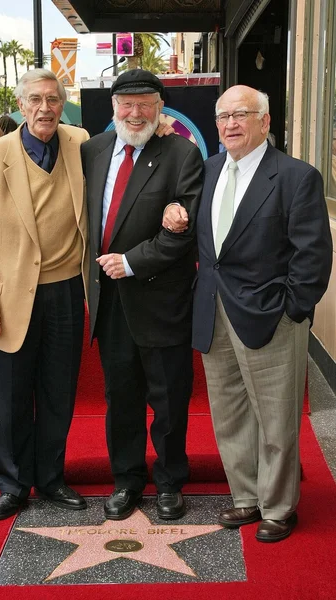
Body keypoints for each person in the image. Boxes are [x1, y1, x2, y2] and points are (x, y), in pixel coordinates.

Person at [164, 85, 332, 541]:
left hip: (272, 315)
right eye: (223, 116)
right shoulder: (211, 168)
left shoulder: (297, 176)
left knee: (276, 418)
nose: (231, 124)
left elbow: (313, 256)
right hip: (214, 311)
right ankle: (246, 497)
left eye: (242, 114)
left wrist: (291, 309)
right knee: (230, 412)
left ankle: (278, 507)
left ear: (265, 120)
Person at [0, 69, 90, 521]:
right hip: (11, 295)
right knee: (12, 396)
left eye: (53, 99)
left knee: (59, 392)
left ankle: (52, 478)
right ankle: (14, 485)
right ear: (20, 104)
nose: (44, 108)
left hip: (66, 289)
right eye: (35, 99)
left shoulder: (80, 143)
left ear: (62, 103)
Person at [81, 69, 204, 521]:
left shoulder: (181, 154)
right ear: (113, 107)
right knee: (121, 399)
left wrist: (130, 262)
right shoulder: (90, 151)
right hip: (109, 304)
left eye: (145, 104)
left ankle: (170, 482)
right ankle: (127, 480)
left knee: (169, 400)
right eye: (127, 103)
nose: (136, 113)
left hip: (160, 300)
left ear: (160, 108)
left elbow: (184, 234)